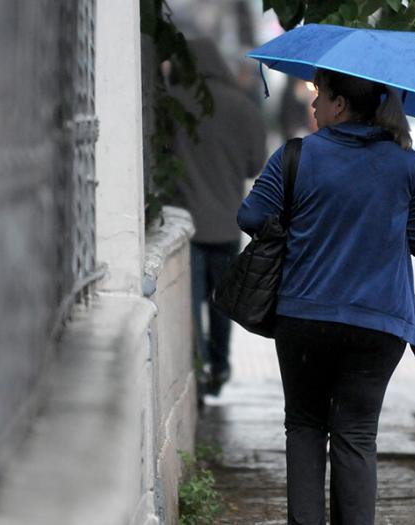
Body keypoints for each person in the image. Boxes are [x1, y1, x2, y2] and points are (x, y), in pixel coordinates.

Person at [237, 69, 415, 525]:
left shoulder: (296, 156)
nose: (312, 105)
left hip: (304, 316)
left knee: (306, 425)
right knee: (355, 435)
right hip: (379, 323)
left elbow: (251, 214)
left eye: (320, 94)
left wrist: (303, 224)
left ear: (340, 105)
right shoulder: (408, 164)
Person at [170, 38, 267, 397]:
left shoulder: (175, 105)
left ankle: (197, 368)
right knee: (223, 301)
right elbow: (256, 164)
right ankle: (220, 365)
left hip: (188, 226)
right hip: (228, 223)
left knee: (191, 303)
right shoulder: (242, 107)